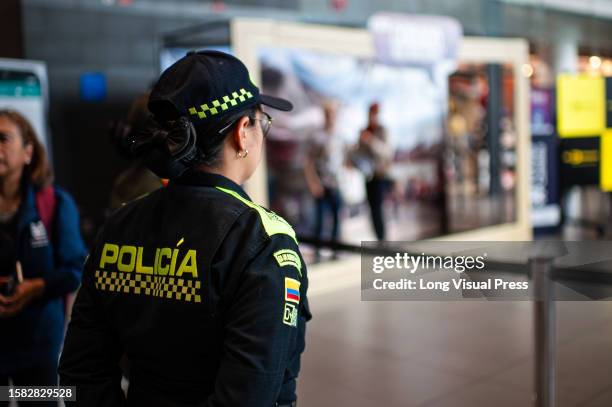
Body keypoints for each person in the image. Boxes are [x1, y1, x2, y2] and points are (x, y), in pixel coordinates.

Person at [59, 50, 311, 407]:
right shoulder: (261, 241)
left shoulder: (120, 225)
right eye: (262, 122)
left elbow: (81, 372)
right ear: (242, 133)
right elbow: (248, 396)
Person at [0, 110, 86, 406]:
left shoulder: (55, 203)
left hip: (39, 348)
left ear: (28, 152)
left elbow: (76, 269)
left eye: (3, 138)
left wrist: (34, 288)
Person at [304, 101, 344, 260]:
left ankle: (335, 250)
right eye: (329, 114)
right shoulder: (318, 137)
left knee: (337, 218)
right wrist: (314, 183)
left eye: (334, 113)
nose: (331, 117)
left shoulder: (340, 136)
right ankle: (318, 252)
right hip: (322, 185)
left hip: (337, 184)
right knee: (320, 220)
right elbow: (309, 162)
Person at [356, 102, 393, 241]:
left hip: (380, 175)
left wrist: (370, 141)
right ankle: (378, 239)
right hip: (367, 176)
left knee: (380, 210)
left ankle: (383, 239)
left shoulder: (382, 130)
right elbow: (359, 154)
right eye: (372, 113)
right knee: (372, 211)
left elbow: (387, 152)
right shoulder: (364, 130)